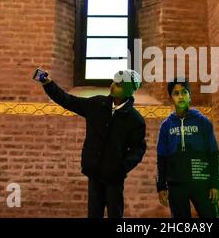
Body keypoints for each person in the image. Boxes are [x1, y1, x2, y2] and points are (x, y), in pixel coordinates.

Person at [37, 69, 146, 218]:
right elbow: (68, 100)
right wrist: (48, 83)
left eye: (119, 85)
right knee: (94, 213)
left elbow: (137, 149)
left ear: (128, 90)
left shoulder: (135, 119)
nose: (113, 85)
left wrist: (121, 168)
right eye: (113, 81)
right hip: (94, 172)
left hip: (114, 178)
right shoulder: (97, 104)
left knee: (115, 213)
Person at [156, 78, 219, 218]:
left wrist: (216, 184)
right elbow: (162, 158)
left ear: (189, 96)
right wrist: (161, 186)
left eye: (184, 92)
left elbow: (214, 154)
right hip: (176, 184)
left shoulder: (203, 122)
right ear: (171, 98)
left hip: (201, 181)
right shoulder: (166, 126)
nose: (180, 96)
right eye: (176, 93)